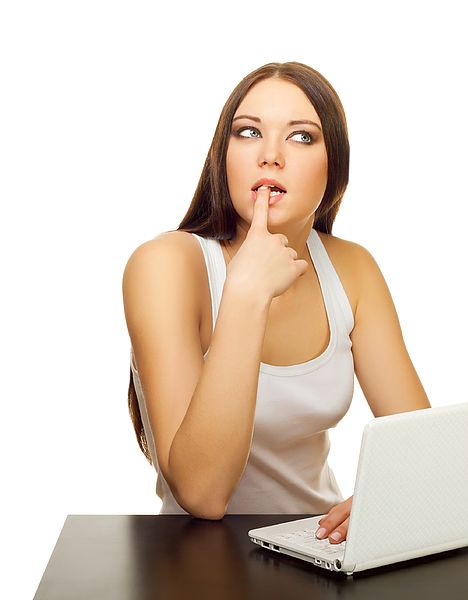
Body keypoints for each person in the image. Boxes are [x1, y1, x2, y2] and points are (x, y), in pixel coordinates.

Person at [122, 61, 431, 546]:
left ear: (336, 168)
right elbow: (202, 494)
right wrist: (246, 293)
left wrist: (386, 499)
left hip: (320, 548)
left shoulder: (354, 269)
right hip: (199, 563)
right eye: (248, 133)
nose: (270, 156)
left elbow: (422, 450)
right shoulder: (165, 265)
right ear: (223, 157)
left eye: (302, 137)